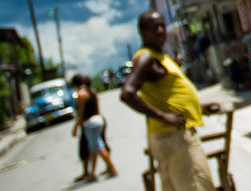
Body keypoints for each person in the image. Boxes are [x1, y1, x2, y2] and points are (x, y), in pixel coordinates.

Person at [121, 11, 220, 191]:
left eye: (162, 25)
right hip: (173, 136)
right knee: (197, 185)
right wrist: (163, 116)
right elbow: (127, 93)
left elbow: (168, 93)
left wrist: (198, 107)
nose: (160, 31)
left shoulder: (160, 57)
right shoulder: (146, 57)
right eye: (154, 27)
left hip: (170, 135)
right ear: (142, 32)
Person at [70, 74, 118, 182]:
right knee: (93, 148)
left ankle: (112, 169)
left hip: (90, 123)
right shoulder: (92, 91)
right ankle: (92, 174)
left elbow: (81, 113)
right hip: (98, 119)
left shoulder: (81, 94)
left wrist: (77, 126)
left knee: (98, 147)